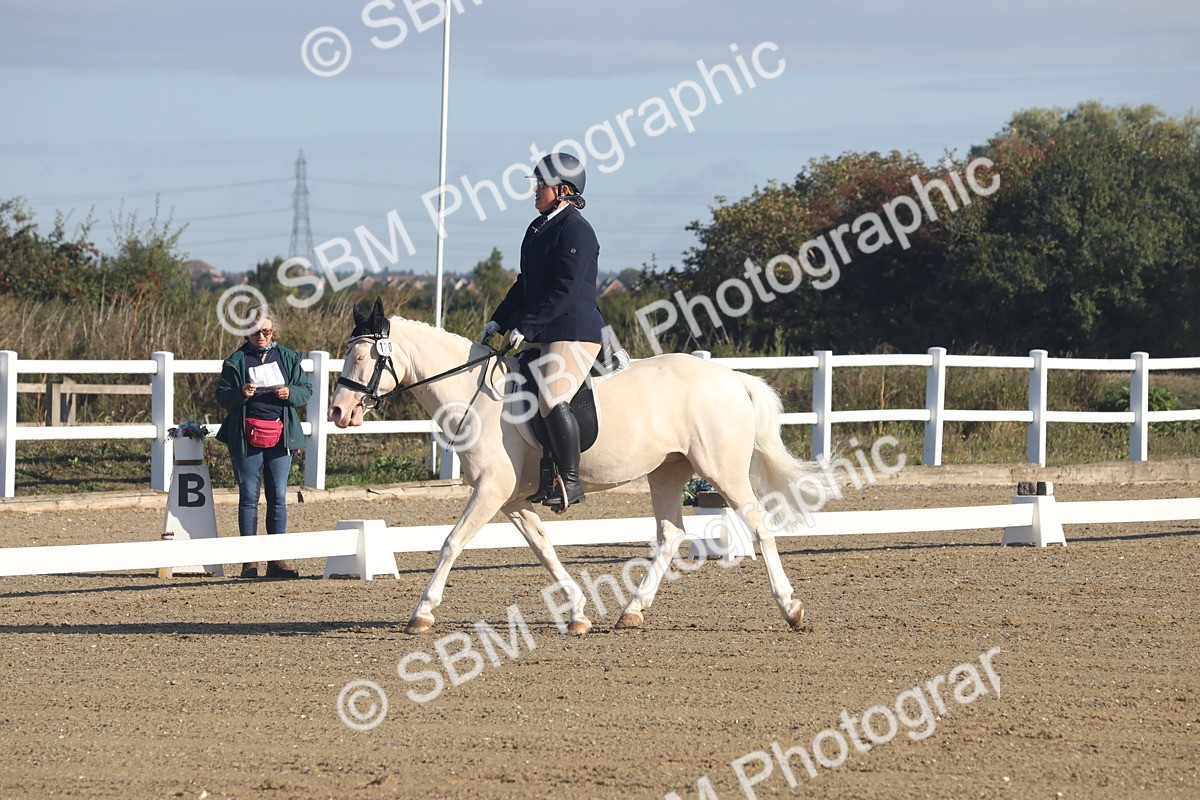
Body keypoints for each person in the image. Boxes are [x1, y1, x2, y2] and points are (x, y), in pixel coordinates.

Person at [482, 152, 606, 513]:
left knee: (551, 397)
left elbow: (563, 289)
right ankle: (542, 469)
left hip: (574, 330)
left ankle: (569, 479)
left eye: (542, 184)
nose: (535, 191)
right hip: (547, 330)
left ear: (564, 190)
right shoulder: (538, 229)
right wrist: (500, 320)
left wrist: (528, 325)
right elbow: (527, 285)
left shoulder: (576, 230)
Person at [216, 306, 313, 578]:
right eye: (256, 331)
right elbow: (223, 397)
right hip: (247, 436)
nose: (261, 335)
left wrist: (289, 392)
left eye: (266, 331)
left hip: (281, 436)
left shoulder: (289, 357)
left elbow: (306, 389)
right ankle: (250, 561)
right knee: (248, 497)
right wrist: (241, 393)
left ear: (273, 331)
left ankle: (276, 560)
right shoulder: (236, 360)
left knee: (278, 497)